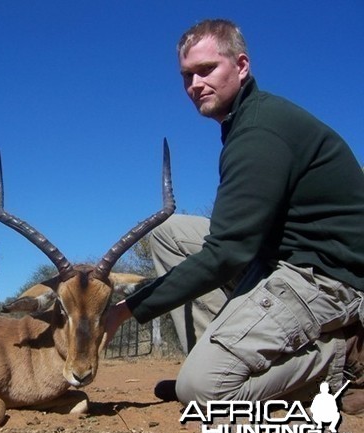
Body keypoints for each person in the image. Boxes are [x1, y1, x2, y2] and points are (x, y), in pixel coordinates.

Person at [105, 19, 364, 412]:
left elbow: (228, 252)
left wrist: (125, 312)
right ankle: (219, 358)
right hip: (281, 254)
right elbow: (234, 241)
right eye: (187, 75)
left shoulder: (259, 130)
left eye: (207, 69)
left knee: (203, 394)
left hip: (329, 277)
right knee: (168, 232)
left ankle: (346, 357)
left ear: (241, 66)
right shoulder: (245, 122)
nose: (194, 84)